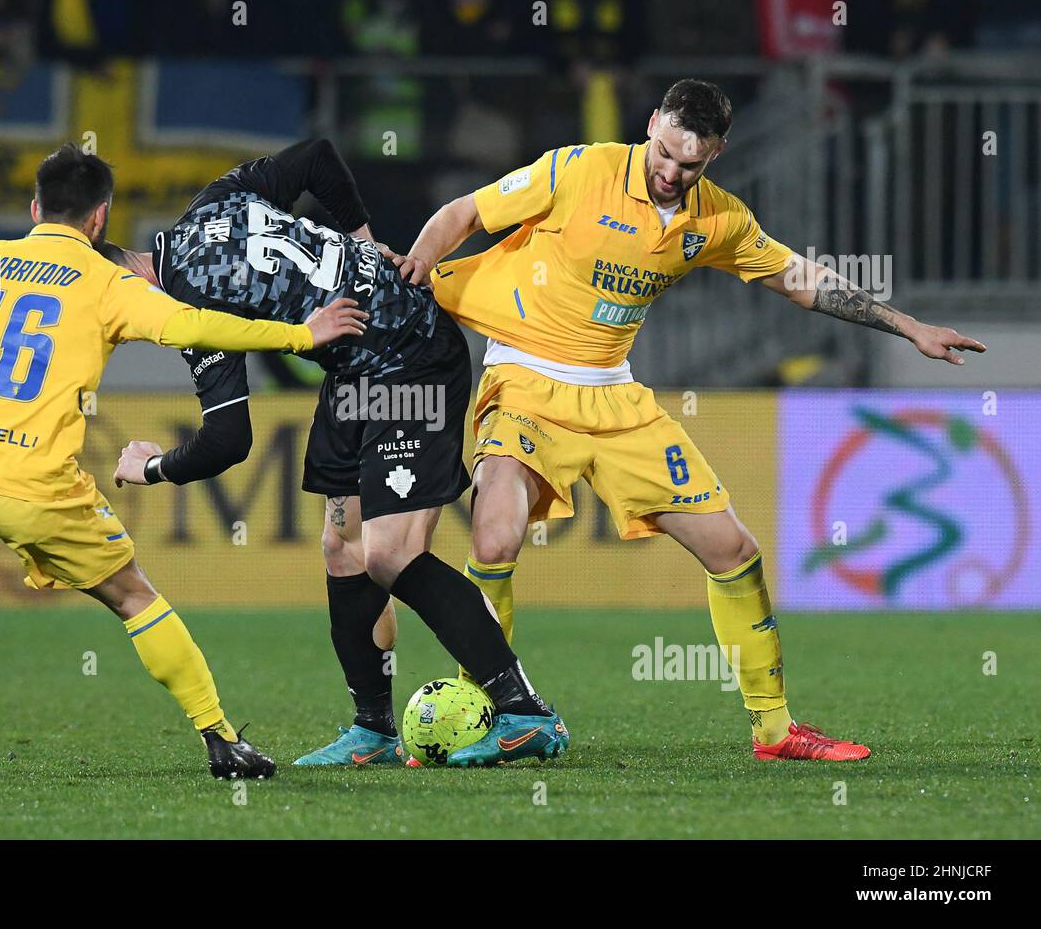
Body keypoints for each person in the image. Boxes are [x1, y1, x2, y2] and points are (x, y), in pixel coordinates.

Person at [391, 79, 986, 761]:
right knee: (494, 540)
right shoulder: (577, 169)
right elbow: (464, 212)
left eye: (691, 164)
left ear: (717, 154)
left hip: (615, 396)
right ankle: (486, 714)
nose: (671, 173)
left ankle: (774, 730)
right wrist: (418, 264)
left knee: (734, 551)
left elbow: (801, 280)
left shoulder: (719, 221)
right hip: (524, 379)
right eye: (665, 154)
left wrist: (908, 326)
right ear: (651, 125)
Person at [0, 143, 368, 780]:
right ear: (100, 221)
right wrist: (299, 334)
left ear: (35, 207)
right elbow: (195, 327)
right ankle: (221, 739)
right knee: (133, 597)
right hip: (35, 486)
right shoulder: (107, 282)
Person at [106, 138, 566, 768]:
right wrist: (362, 238)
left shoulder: (186, 306)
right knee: (343, 550)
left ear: (124, 282)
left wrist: (151, 466)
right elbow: (319, 157)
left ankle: (524, 711)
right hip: (355, 368)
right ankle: (373, 731)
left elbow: (227, 440)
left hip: (412, 358)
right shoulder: (210, 205)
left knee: (391, 556)